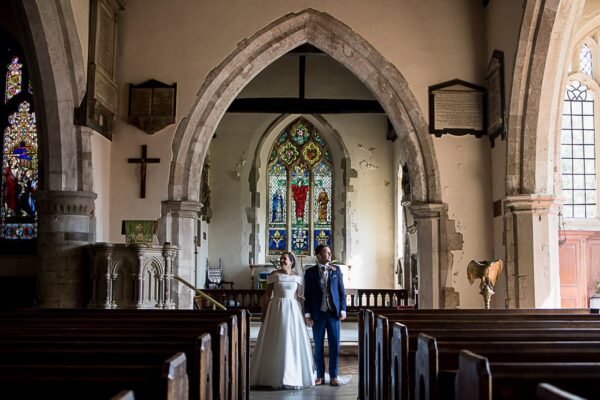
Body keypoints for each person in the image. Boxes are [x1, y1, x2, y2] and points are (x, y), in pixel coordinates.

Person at [250, 251, 314, 389]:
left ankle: (292, 374)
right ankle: (271, 374)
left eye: (285, 259)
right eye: (281, 259)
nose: (282, 261)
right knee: (275, 338)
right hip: (276, 308)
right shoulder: (274, 275)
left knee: (291, 339)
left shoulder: (297, 277)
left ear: (291, 261)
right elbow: (267, 295)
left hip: (293, 310)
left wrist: (304, 316)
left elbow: (300, 298)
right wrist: (264, 312)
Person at [304, 244, 346, 386]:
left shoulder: (337, 270)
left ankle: (334, 376)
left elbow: (341, 293)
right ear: (318, 255)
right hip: (318, 314)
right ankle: (320, 376)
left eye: (329, 252)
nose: (329, 254)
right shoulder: (310, 273)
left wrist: (343, 310)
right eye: (325, 252)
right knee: (319, 346)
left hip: (333, 314)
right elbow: (307, 295)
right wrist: (307, 315)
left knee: (335, 345)